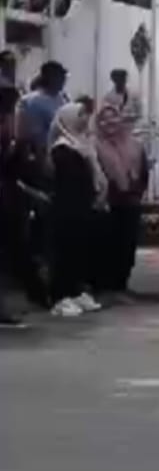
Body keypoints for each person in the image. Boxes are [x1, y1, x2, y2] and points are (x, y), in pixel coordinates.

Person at [47, 100, 104, 317]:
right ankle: (60, 297)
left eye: (85, 114)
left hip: (83, 207)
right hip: (66, 209)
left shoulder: (84, 144)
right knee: (65, 252)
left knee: (81, 252)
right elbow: (69, 180)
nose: (84, 119)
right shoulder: (62, 147)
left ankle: (77, 291)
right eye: (79, 114)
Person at [0, 81, 47, 325]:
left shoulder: (9, 126)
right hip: (6, 198)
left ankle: (34, 295)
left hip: (9, 196)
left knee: (15, 249)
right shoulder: (6, 127)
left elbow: (11, 171)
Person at [91, 100, 147, 298]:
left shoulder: (136, 145)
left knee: (128, 243)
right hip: (108, 203)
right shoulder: (94, 145)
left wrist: (136, 191)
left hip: (131, 201)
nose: (110, 123)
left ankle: (121, 283)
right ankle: (107, 285)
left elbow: (143, 172)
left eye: (113, 117)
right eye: (103, 120)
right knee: (108, 244)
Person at [18, 61, 68, 156]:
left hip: (62, 151)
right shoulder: (32, 101)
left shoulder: (62, 98)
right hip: (41, 152)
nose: (64, 80)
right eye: (60, 76)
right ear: (51, 78)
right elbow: (30, 134)